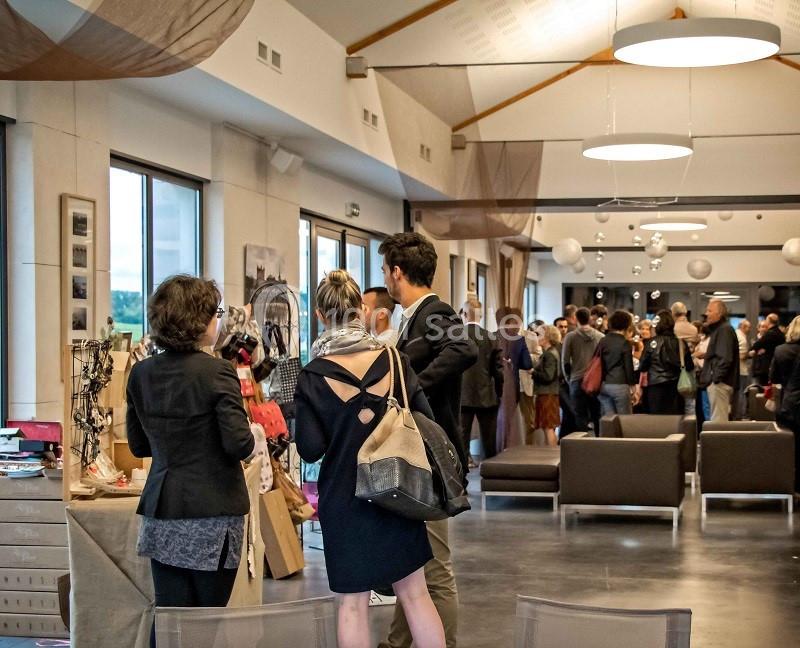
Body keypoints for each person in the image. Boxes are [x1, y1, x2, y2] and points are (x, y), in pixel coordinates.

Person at [294, 270, 445, 648]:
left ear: (320, 316)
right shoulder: (394, 360)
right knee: (415, 594)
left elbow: (310, 448)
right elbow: (424, 419)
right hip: (397, 490)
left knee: (352, 605)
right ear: (361, 310)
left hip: (344, 499)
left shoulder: (312, 375)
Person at [126, 275, 263, 648]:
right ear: (199, 320)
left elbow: (138, 445)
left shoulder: (141, 373)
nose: (218, 321)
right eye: (215, 313)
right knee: (205, 624)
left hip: (163, 509)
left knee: (169, 621)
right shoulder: (217, 372)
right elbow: (239, 444)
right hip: (214, 512)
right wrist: (257, 435)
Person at [378, 232, 477, 648]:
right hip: (417, 452)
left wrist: (411, 388)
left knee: (435, 569)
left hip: (431, 455)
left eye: (385, 271)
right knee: (413, 564)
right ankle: (397, 642)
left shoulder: (434, 312)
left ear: (398, 272)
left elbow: (463, 350)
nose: (384, 279)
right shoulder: (415, 316)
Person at [459, 298, 504, 461]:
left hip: (461, 395)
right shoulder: (491, 337)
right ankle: (490, 471)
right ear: (481, 315)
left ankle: (462, 474)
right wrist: (499, 393)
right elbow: (498, 370)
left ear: (464, 313)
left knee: (461, 438)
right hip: (486, 393)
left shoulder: (455, 336)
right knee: (489, 439)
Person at [639, 309, 693, 415]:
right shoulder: (680, 343)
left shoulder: (651, 343)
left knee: (657, 422)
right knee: (675, 420)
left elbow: (642, 366)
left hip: (655, 386)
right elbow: (689, 366)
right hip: (677, 387)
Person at [769, 315, 800, 495]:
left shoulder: (781, 351)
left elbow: (774, 378)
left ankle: (791, 488)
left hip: (789, 405)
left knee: (790, 448)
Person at [495, 307, 533, 450]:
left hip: (493, 384)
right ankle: (507, 447)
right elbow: (527, 363)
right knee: (510, 419)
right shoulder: (518, 340)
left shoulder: (491, 336)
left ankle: (495, 448)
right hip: (512, 384)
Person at [561, 307, 604, 433]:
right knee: (597, 413)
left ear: (576, 318)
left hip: (576, 379)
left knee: (579, 415)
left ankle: (582, 444)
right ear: (590, 318)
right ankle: (599, 440)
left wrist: (568, 379)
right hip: (595, 381)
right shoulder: (600, 337)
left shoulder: (571, 337)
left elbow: (565, 361)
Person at [699, 299, 739, 423]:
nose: (707, 314)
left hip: (720, 383)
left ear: (719, 314)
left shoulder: (724, 329)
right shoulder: (721, 329)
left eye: (710, 310)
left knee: (719, 423)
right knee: (717, 420)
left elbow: (725, 358)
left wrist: (715, 379)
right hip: (719, 382)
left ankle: (720, 444)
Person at [595, 310, 636, 416]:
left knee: (609, 421)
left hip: (603, 385)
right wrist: (633, 387)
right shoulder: (625, 343)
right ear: (626, 324)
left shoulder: (603, 340)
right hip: (620, 384)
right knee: (625, 421)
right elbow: (628, 366)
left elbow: (597, 361)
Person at [532, 325, 562, 446]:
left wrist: (533, 372)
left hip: (547, 394)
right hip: (547, 393)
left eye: (538, 334)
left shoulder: (549, 354)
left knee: (548, 427)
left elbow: (548, 376)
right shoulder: (550, 353)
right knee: (547, 427)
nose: (536, 337)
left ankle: (552, 457)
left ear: (547, 337)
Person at [520, 323, 542, 445]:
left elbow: (539, 358)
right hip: (508, 385)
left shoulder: (531, 336)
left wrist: (523, 356)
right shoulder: (499, 335)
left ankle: (528, 447)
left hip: (526, 383)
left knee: (529, 421)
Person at [749, 313, 785, 386]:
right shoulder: (780, 334)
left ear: (768, 321)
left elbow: (755, 346)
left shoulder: (770, 334)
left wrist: (757, 349)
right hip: (777, 366)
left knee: (763, 391)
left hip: (766, 367)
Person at [735, 319, 752, 419]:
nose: (750, 329)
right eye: (748, 327)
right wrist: (749, 354)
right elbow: (741, 356)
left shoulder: (736, 335)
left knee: (738, 393)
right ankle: (742, 414)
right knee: (742, 393)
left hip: (738, 369)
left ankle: (738, 414)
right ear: (742, 326)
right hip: (742, 370)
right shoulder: (742, 338)